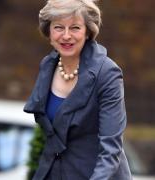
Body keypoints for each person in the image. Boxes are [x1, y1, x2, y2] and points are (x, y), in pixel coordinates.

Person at [24, 0, 132, 179]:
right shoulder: (47, 66)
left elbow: (111, 150)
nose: (66, 36)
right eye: (59, 27)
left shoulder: (107, 73)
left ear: (88, 32)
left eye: (75, 28)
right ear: (49, 32)